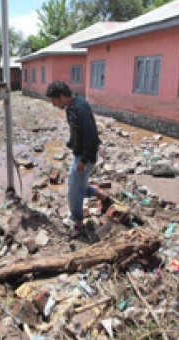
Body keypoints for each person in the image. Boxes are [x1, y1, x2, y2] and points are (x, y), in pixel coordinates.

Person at [46, 81, 112, 238]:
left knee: (73, 192)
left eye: (54, 101)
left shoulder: (80, 108)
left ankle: (78, 224)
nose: (54, 105)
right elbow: (78, 132)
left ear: (62, 97)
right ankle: (103, 197)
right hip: (80, 154)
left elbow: (91, 136)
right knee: (77, 185)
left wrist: (84, 160)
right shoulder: (73, 107)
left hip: (84, 157)